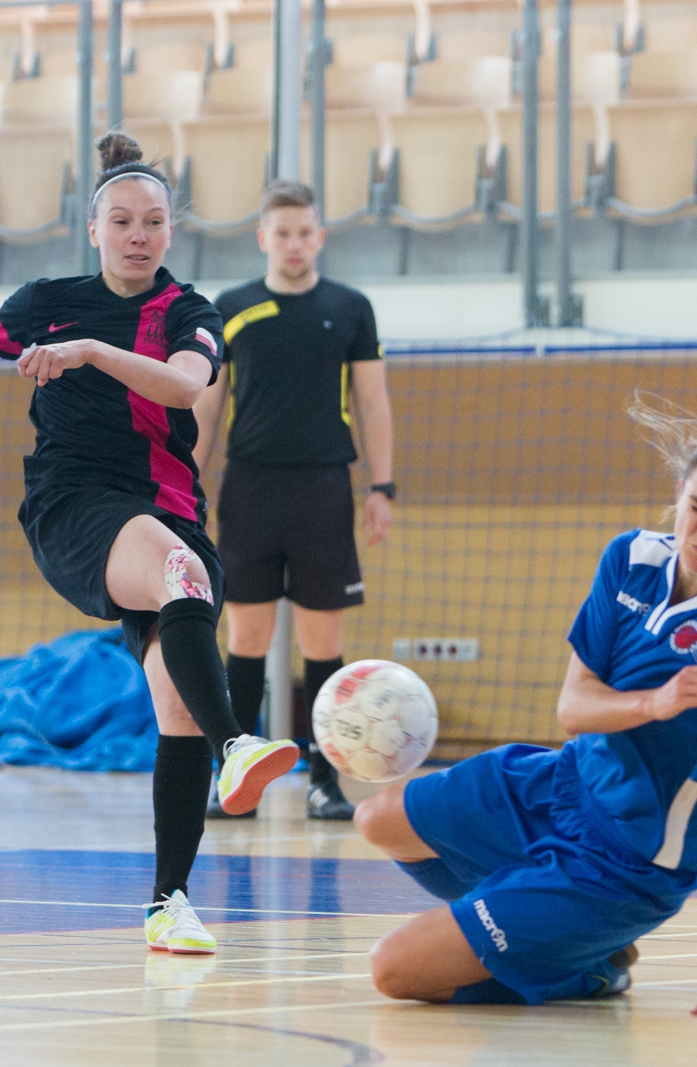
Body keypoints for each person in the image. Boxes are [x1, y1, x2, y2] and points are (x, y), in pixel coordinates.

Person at [0, 133, 300, 956]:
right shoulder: (45, 299)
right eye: (124, 221)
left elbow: (185, 385)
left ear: (172, 232)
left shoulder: (191, 314)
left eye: (156, 222)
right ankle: (236, 743)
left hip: (169, 507)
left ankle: (169, 902)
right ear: (93, 227)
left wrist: (92, 351)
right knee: (178, 576)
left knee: (176, 689)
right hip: (73, 505)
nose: (140, 235)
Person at [352, 396, 697, 1014]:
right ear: (678, 493)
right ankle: (555, 933)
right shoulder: (632, 559)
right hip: (562, 783)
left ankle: (585, 968)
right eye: (696, 507)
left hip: (627, 861)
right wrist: (657, 702)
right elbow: (574, 707)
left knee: (395, 972)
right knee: (378, 819)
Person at [194, 179, 394, 822]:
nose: (295, 244)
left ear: (321, 237)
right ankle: (236, 778)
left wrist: (381, 487)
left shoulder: (351, 307)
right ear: (263, 239)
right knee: (245, 638)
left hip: (323, 488)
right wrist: (185, 482)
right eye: (282, 233)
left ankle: (326, 783)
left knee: (322, 642)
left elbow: (372, 402)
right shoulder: (230, 306)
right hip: (249, 487)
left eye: (306, 232)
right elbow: (209, 404)